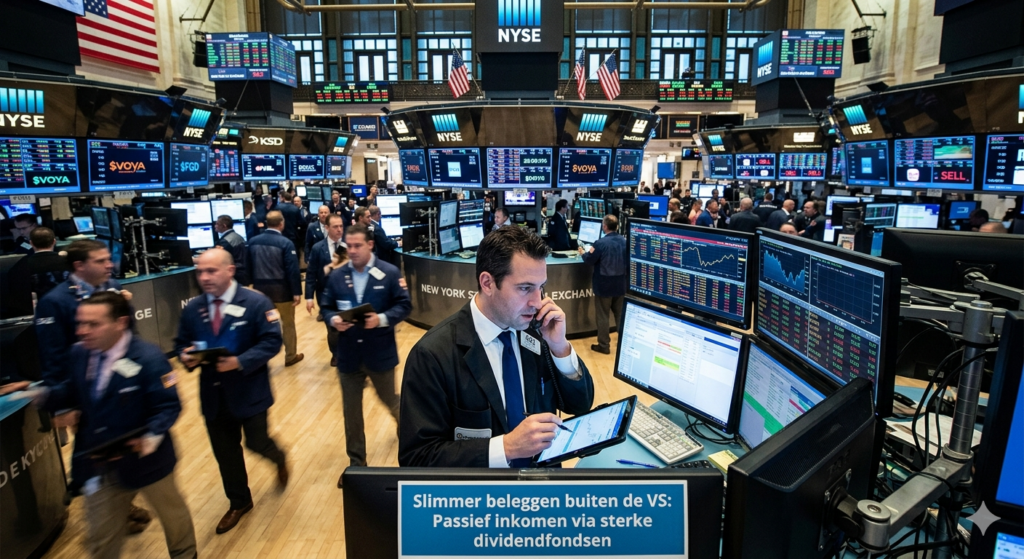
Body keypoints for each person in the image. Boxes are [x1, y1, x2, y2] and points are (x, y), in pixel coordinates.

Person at [399, 226, 595, 467]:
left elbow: (580, 404)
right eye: (525, 288)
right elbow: (417, 458)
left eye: (541, 287)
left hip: (544, 482)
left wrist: (559, 347)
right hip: (484, 488)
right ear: (487, 283)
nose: (537, 302)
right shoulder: (432, 355)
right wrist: (505, 448)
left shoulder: (538, 331)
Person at [32, 292, 197, 559]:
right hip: (100, 463)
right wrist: (41, 394)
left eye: (93, 324)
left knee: (173, 518)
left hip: (149, 462)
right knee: (101, 537)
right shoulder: (79, 353)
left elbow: (168, 406)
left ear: (120, 323)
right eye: (80, 323)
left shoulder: (150, 358)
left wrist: (150, 437)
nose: (82, 331)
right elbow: (71, 390)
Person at [175, 250, 289, 535]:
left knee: (257, 442)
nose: (204, 277)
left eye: (211, 271)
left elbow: (272, 342)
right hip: (213, 396)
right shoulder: (193, 308)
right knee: (226, 454)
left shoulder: (256, 303)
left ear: (230, 270)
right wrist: (186, 356)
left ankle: (277, 456)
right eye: (200, 272)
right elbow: (181, 342)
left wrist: (239, 362)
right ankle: (239, 501)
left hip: (250, 392)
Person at [321, 224, 411, 484]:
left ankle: (406, 430)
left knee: (390, 400)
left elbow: (404, 306)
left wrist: (381, 319)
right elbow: (326, 307)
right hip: (348, 356)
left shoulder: (389, 272)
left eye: (357, 246)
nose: (352, 251)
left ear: (370, 245)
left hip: (379, 354)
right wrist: (333, 319)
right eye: (349, 246)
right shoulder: (337, 276)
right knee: (351, 413)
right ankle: (357, 463)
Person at [247, 211, 304, 366]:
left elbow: (248, 266)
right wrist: (296, 292)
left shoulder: (252, 241)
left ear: (267, 223)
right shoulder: (286, 243)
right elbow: (292, 270)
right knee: (288, 324)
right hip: (282, 292)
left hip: (260, 292)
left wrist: (250, 286)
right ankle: (290, 356)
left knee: (260, 325)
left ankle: (258, 358)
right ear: (281, 224)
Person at [578, 215, 627, 355]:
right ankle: (625, 344)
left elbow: (589, 260)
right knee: (620, 315)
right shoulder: (625, 241)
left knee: (603, 316)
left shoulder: (600, 243)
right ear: (617, 226)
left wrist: (582, 253)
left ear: (604, 226)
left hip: (604, 286)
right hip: (620, 284)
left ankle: (604, 345)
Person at [305, 214, 346, 364]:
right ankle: (336, 354)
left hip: (346, 294)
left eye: (341, 226)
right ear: (327, 228)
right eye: (335, 227)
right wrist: (309, 297)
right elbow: (311, 274)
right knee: (332, 328)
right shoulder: (317, 248)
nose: (339, 229)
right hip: (325, 294)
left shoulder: (348, 245)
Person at [6, 226, 71, 317]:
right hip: (69, 312)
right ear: (54, 241)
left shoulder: (20, 266)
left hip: (39, 315)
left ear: (31, 243)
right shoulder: (69, 263)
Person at [215, 215, 249, 285]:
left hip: (235, 275)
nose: (215, 226)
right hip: (243, 273)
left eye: (217, 224)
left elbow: (216, 258)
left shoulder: (225, 241)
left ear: (224, 226)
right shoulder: (238, 236)